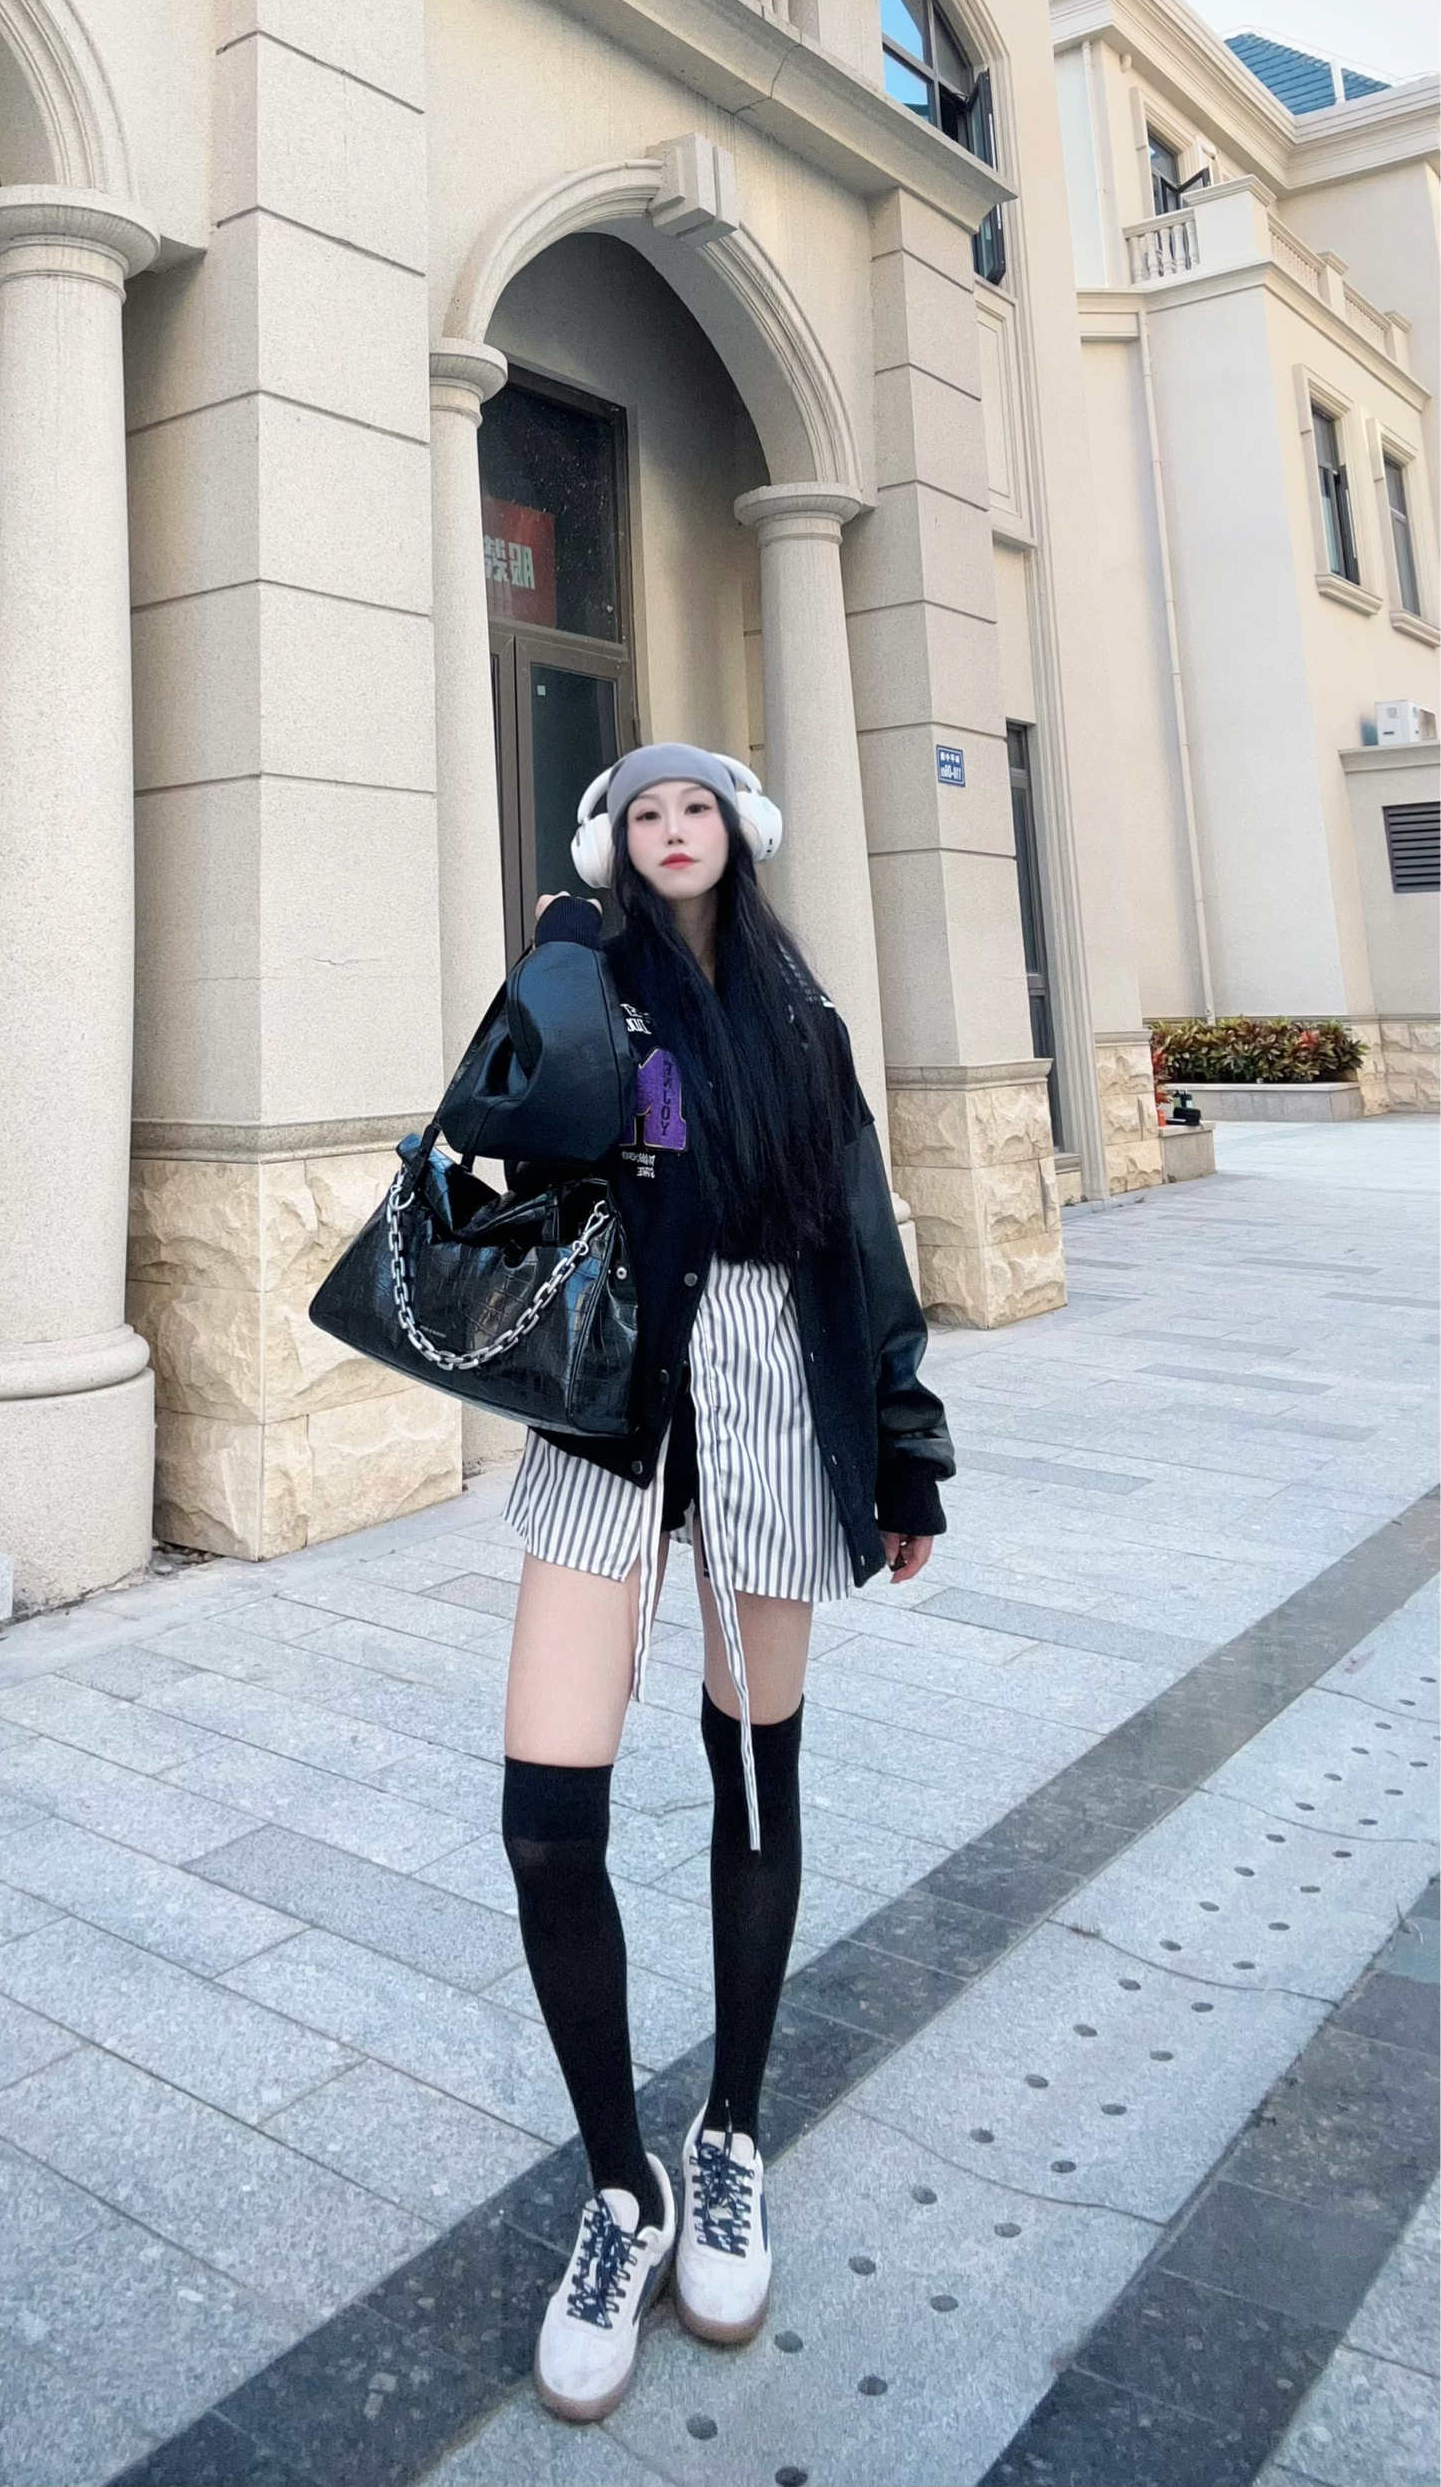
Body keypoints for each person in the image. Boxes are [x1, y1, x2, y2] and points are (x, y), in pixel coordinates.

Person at [495, 741, 955, 2423]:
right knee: (546, 1817)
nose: (671, 829)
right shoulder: (586, 979)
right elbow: (510, 1127)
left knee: (755, 1769)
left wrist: (904, 1446)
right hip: (614, 1387)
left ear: (737, 834)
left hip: (770, 1377)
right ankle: (622, 2192)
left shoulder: (801, 1018)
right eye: (642, 811)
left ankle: (731, 2132)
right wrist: (563, 948)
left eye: (695, 807)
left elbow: (861, 1230)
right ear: (611, 843)